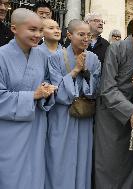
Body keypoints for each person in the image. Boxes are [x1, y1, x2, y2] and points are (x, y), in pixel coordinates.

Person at [94, 12, 133, 189]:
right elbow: (107, 87)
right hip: (112, 114)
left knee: (127, 163)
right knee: (108, 162)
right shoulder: (116, 48)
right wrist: (129, 109)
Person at [0, 8, 57, 189]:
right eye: (32, 30)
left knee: (35, 173)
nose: (38, 35)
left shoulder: (41, 55)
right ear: (14, 28)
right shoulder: (1, 55)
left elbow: (46, 82)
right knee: (11, 175)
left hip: (36, 125)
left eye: (40, 30)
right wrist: (33, 95)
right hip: (10, 130)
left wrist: (47, 91)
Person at [45, 19, 101, 189]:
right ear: (69, 35)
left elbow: (96, 88)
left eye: (89, 35)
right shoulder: (55, 58)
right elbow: (57, 91)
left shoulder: (93, 58)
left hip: (84, 117)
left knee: (82, 159)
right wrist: (76, 70)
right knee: (59, 158)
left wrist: (87, 75)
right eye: (81, 34)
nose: (86, 39)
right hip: (62, 116)